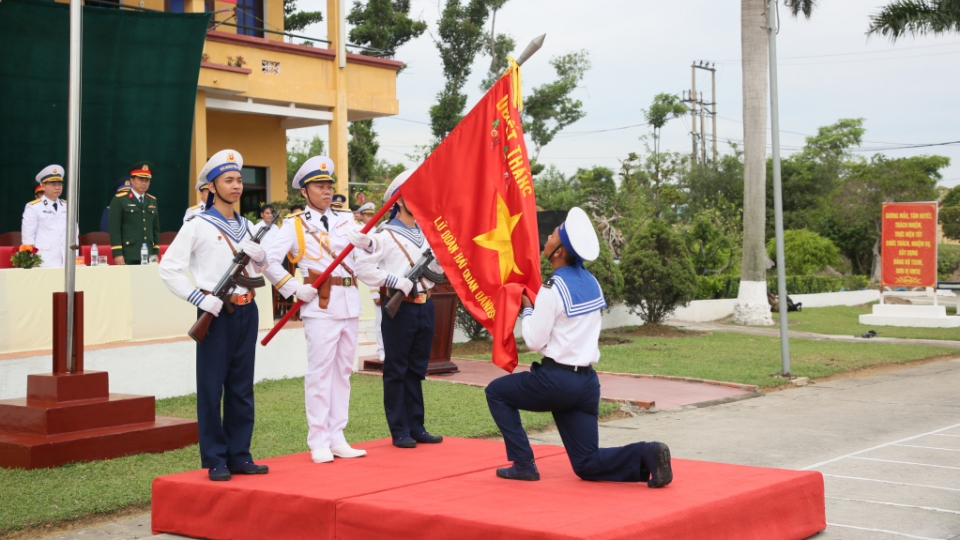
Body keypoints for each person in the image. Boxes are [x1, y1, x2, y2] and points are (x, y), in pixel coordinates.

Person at [484, 207, 673, 487]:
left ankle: (523, 463)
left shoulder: (552, 287)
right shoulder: (592, 281)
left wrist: (527, 310)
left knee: (496, 392)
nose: (547, 237)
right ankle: (646, 453)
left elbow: (535, 341)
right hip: (586, 384)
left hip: (557, 381)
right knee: (587, 463)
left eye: (552, 235)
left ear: (558, 252)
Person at [158, 149, 270, 482]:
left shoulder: (248, 225)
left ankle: (240, 455)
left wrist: (261, 258)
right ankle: (216, 459)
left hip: (247, 309)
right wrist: (198, 298)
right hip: (215, 310)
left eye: (238, 179)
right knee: (211, 388)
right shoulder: (197, 225)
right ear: (211, 187)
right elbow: (169, 269)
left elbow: (259, 268)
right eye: (228, 180)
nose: (237, 186)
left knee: (241, 387)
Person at [263, 156, 375, 464]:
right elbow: (268, 260)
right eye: (319, 186)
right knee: (320, 372)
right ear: (304, 191)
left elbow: (371, 248)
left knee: (343, 372)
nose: (326, 191)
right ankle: (318, 439)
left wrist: (366, 243)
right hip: (320, 303)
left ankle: (337, 436)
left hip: (349, 301)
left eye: (329, 186)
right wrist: (292, 287)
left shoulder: (346, 219)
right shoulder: (295, 225)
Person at [354, 170, 444, 449]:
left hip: (424, 306)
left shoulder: (425, 232)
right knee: (397, 369)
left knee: (417, 369)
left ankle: (416, 425)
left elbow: (437, 272)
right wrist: (395, 281)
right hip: (399, 308)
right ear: (401, 201)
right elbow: (362, 268)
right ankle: (399, 429)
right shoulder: (384, 235)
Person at [21, 164, 78, 268]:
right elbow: (28, 236)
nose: (57, 187)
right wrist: (31, 261)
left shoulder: (68, 205)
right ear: (43, 186)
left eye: (60, 184)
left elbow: (74, 233)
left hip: (66, 260)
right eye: (53, 184)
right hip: (44, 260)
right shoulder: (33, 207)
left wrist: (75, 256)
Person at [109, 161, 160, 265]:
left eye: (147, 180)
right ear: (132, 180)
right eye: (141, 179)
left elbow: (155, 228)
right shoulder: (120, 200)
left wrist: (155, 251)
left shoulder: (152, 200)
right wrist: (117, 253)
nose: (144, 183)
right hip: (129, 253)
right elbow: (115, 228)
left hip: (149, 253)